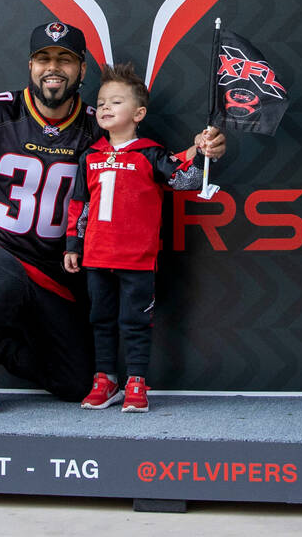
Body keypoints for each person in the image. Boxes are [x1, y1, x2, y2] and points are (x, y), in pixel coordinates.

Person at [0, 21, 224, 413]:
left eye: (64, 59)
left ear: (82, 70)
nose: (53, 67)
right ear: (31, 66)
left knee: (76, 381)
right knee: (0, 278)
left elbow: (147, 163)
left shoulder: (96, 126)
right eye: (44, 58)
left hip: (49, 268)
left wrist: (200, 150)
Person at [63, 62, 202, 413]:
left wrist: (200, 153)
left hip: (136, 258)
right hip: (96, 256)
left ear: (138, 113)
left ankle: (136, 380)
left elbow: (185, 181)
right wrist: (73, 244)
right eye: (102, 101)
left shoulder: (150, 154)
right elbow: (80, 205)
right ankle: (105, 378)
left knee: (135, 321)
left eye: (116, 102)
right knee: (100, 319)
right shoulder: (90, 157)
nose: (106, 107)